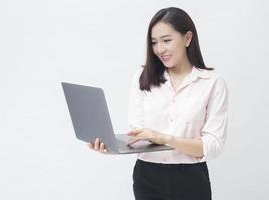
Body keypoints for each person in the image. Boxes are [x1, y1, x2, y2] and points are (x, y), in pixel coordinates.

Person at [89, 7, 228, 200]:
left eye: (167, 40)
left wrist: (165, 138)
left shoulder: (212, 83)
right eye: (154, 43)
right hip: (147, 177)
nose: (159, 49)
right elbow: (138, 131)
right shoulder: (142, 77)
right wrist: (113, 146)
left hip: (191, 180)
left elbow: (212, 145)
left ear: (187, 38)